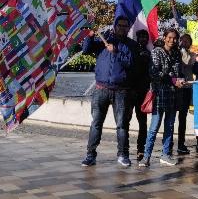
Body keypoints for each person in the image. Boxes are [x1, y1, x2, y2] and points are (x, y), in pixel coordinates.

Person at [80, 16, 139, 167]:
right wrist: (90, 36)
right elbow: (86, 50)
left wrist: (117, 51)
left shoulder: (131, 45)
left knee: (122, 125)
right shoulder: (104, 39)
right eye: (120, 25)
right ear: (115, 26)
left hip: (121, 91)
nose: (123, 28)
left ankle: (123, 154)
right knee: (96, 123)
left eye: (126, 26)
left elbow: (131, 63)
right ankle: (90, 154)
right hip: (101, 90)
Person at [140, 28, 186, 167]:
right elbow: (154, 73)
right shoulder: (156, 52)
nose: (172, 40)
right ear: (164, 37)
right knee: (154, 127)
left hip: (173, 95)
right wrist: (172, 79)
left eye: (174, 38)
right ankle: (146, 156)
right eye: (169, 37)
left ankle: (165, 155)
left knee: (170, 127)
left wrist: (180, 79)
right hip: (159, 94)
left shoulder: (177, 53)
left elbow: (178, 72)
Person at [132, 29, 152, 162]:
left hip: (143, 91)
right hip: (130, 90)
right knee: (125, 120)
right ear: (137, 38)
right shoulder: (132, 50)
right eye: (141, 36)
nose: (143, 39)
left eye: (145, 37)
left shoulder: (150, 53)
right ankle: (124, 148)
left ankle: (140, 148)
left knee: (143, 123)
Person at [175, 34, 196, 155]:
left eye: (187, 41)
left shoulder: (191, 53)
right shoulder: (177, 52)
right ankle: (173, 143)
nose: (184, 42)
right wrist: (182, 49)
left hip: (188, 87)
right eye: (182, 40)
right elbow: (186, 60)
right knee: (174, 116)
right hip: (178, 87)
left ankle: (181, 144)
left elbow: (190, 62)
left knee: (183, 117)